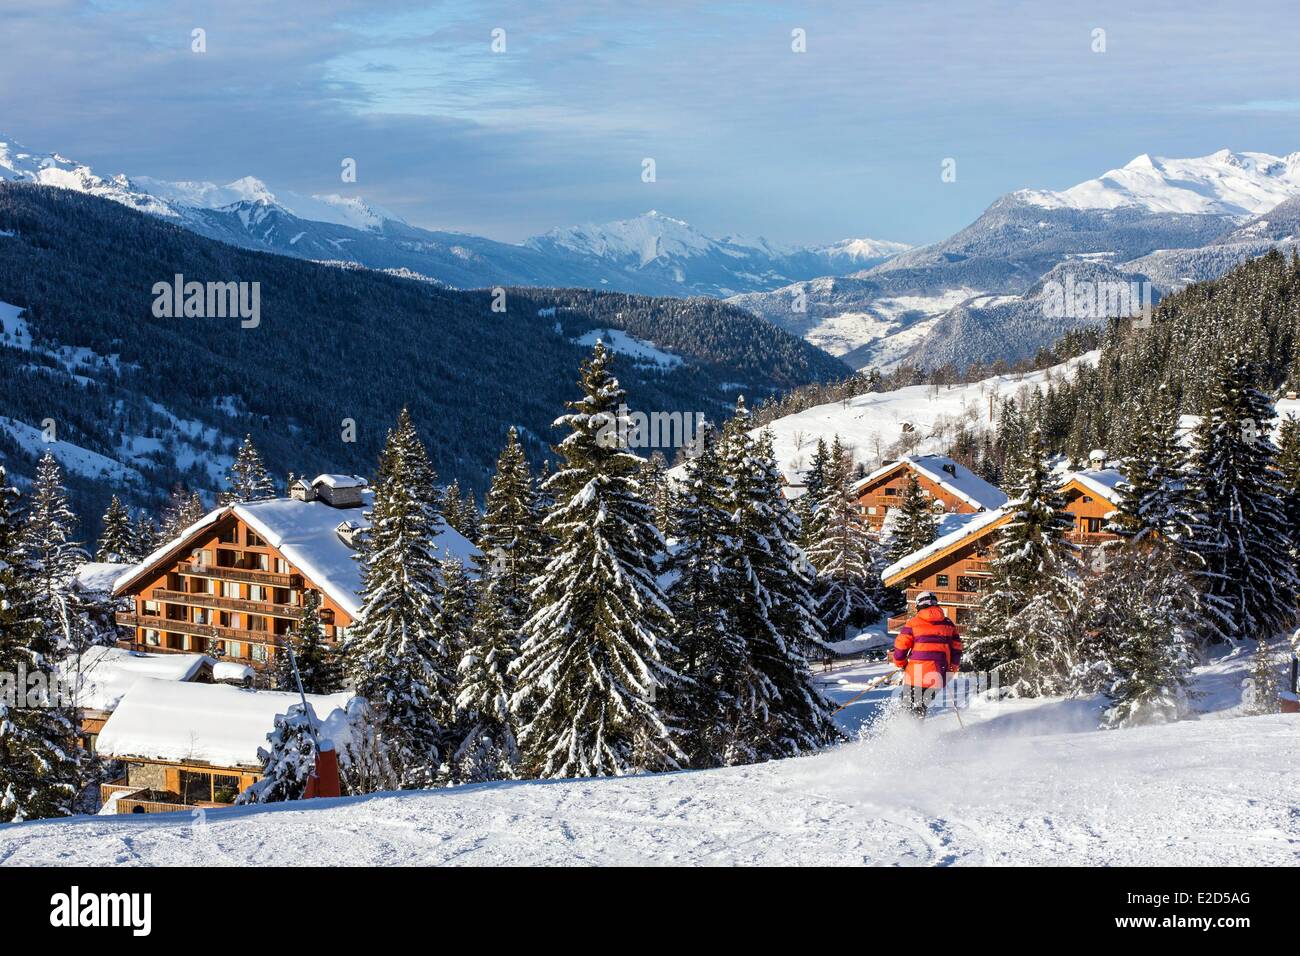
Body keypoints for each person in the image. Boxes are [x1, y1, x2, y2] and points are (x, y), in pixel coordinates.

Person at [892, 591, 962, 717]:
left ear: (918, 606)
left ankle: (903, 733)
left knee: (907, 709)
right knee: (919, 708)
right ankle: (916, 733)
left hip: (916, 675)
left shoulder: (913, 623)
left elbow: (901, 646)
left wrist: (900, 663)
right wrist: (951, 669)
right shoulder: (948, 624)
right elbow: (957, 649)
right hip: (937, 676)